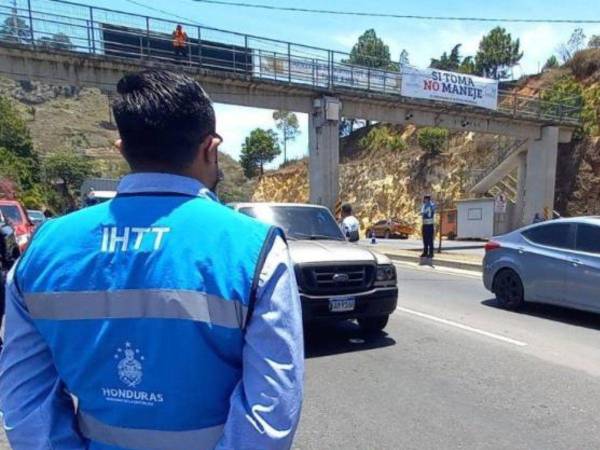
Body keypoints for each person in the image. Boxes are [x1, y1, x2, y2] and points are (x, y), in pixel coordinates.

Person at [0, 70, 304, 450]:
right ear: (210, 148)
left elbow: (24, 400)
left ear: (121, 147)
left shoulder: (44, 249)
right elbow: (272, 408)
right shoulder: (255, 247)